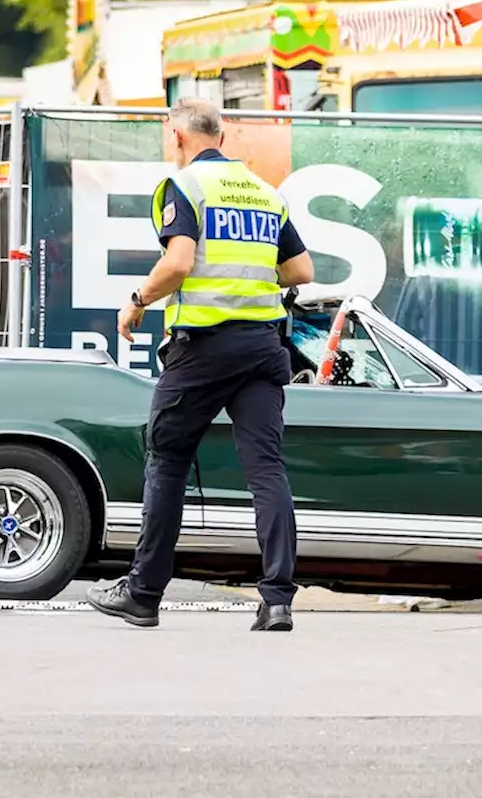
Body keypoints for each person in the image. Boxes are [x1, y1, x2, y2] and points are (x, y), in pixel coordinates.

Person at [86, 97, 315, 631]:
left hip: (204, 348)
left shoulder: (183, 187)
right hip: (262, 347)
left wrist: (137, 301)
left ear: (178, 137)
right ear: (222, 138)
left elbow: (180, 260)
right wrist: (253, 280)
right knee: (266, 469)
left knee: (166, 460)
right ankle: (277, 599)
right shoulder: (265, 194)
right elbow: (300, 269)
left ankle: (143, 594)